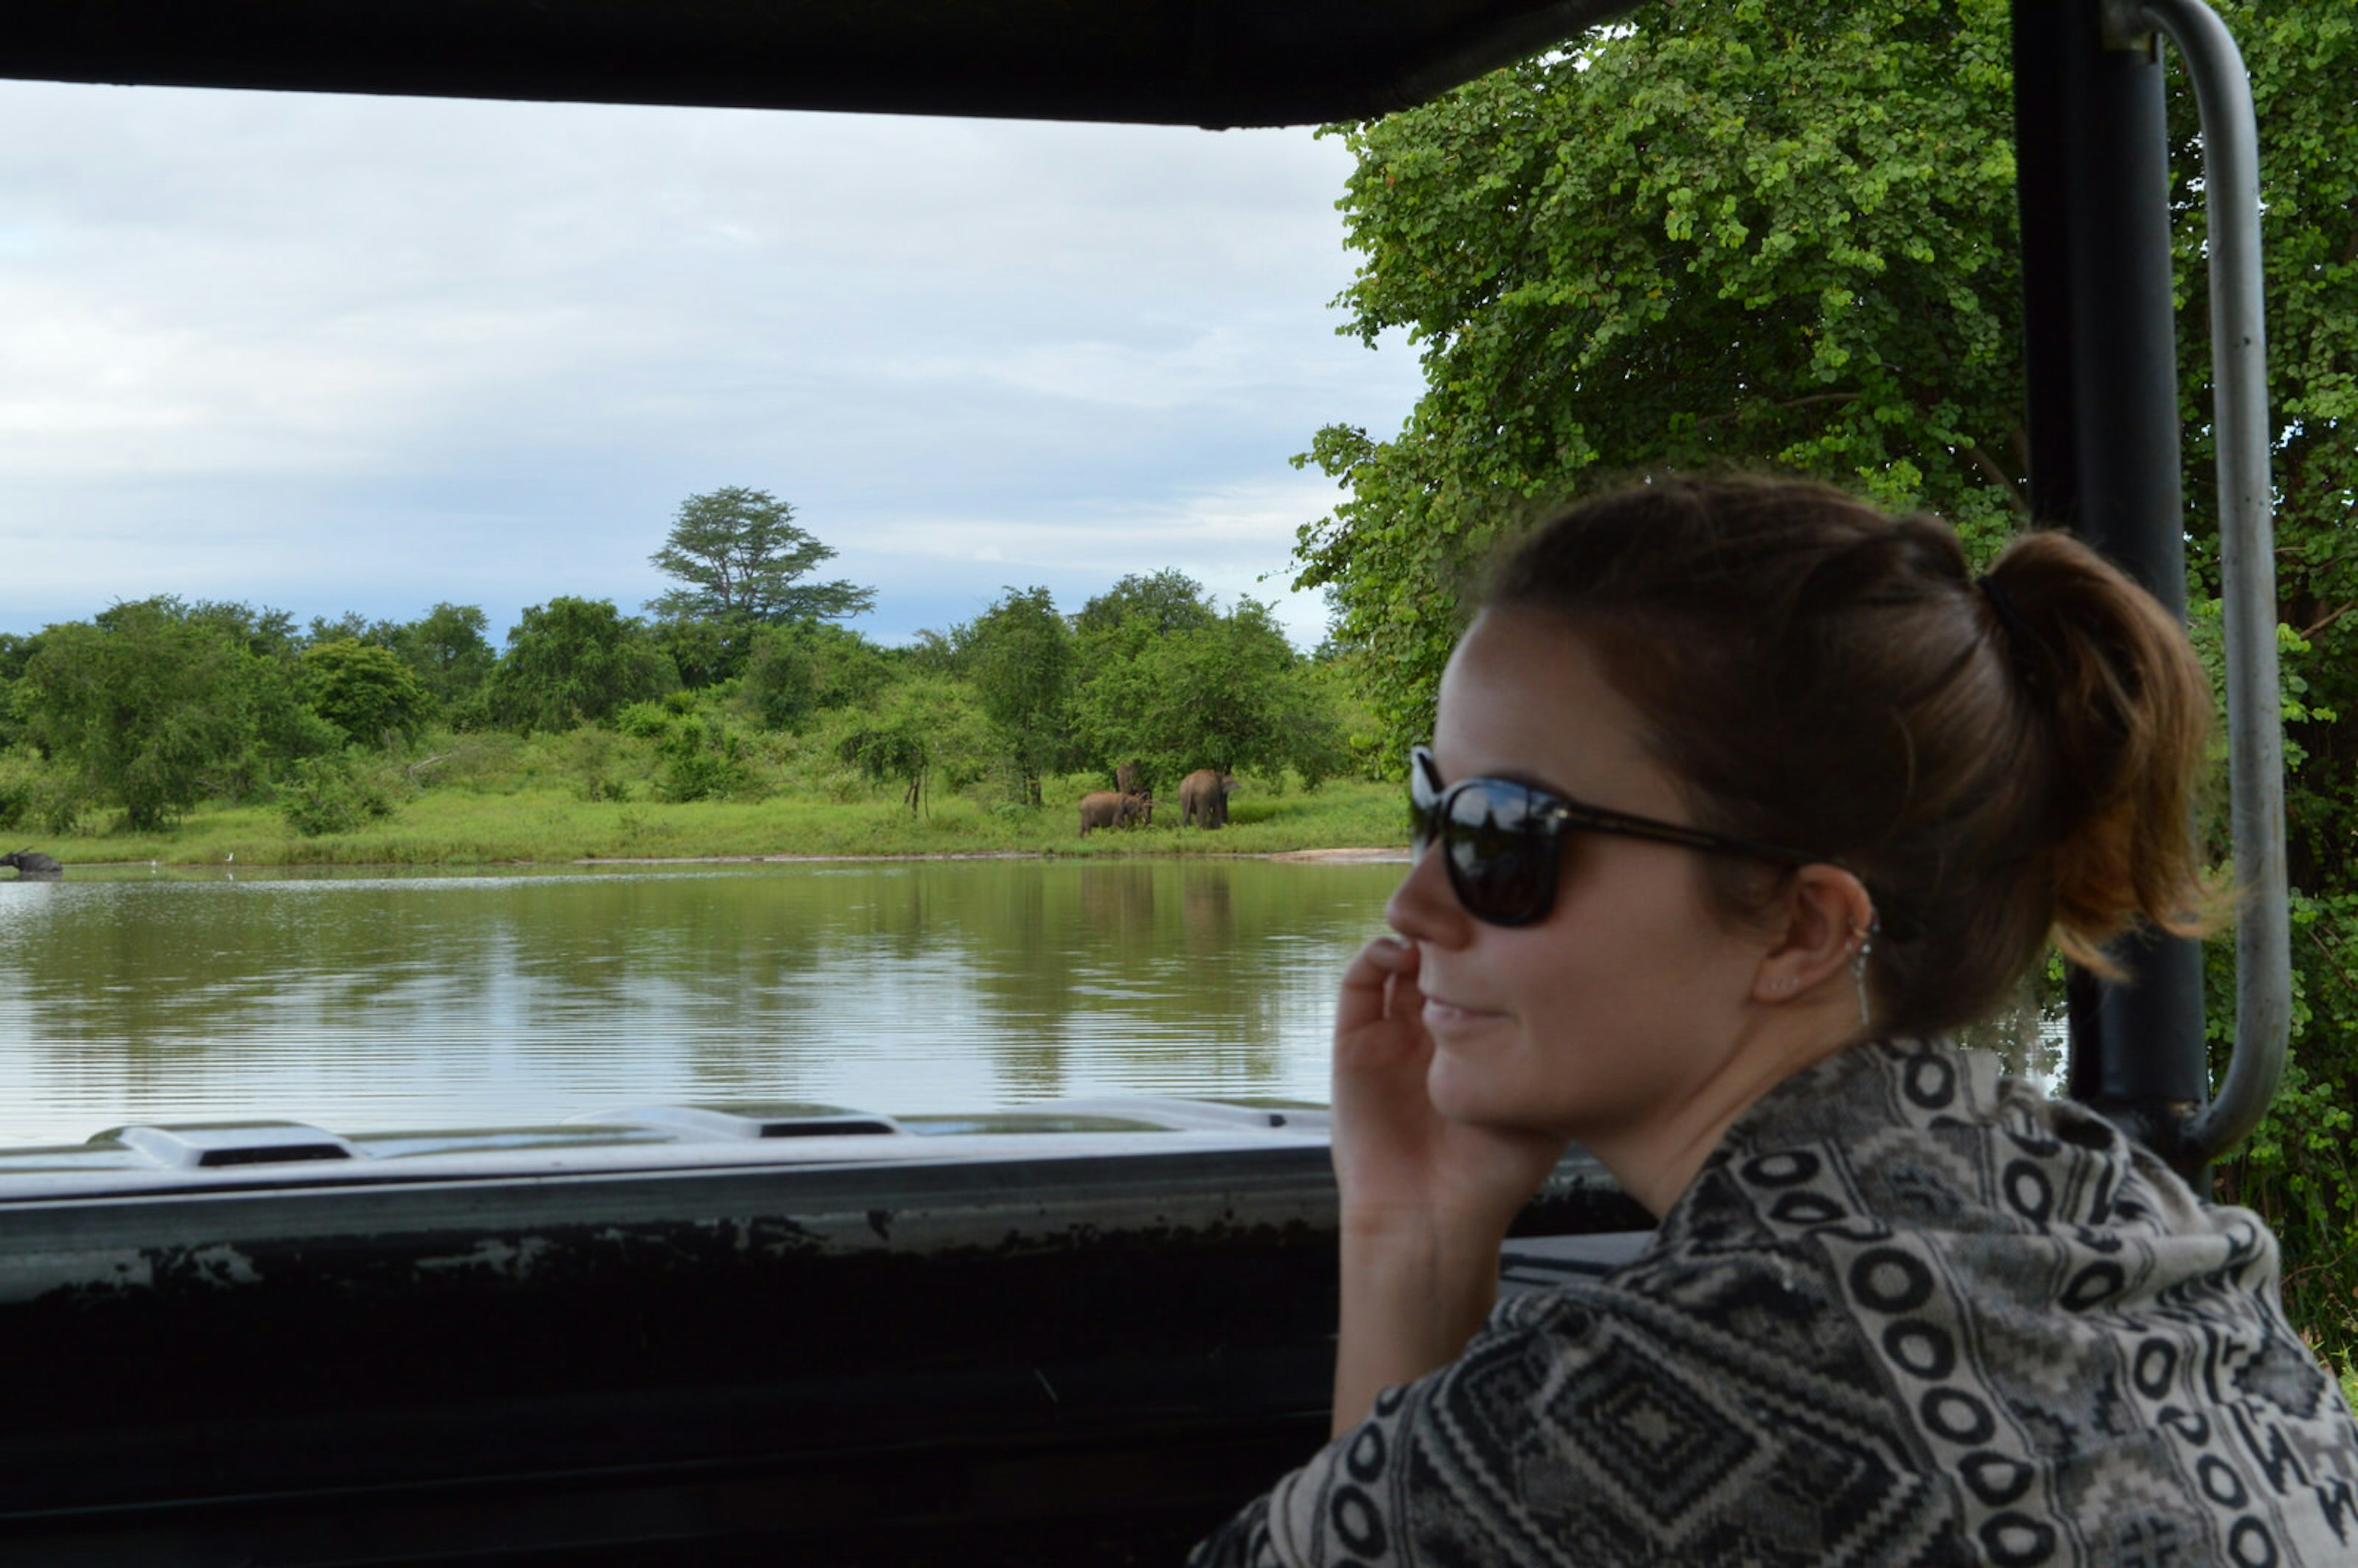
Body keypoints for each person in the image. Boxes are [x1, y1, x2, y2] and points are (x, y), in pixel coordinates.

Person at [1190, 476, 2358, 1566]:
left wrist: (1402, 1252)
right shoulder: (2152, 1236)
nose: (1413, 904)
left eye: (1503, 834)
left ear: (1803, 928)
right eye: (1427, 807)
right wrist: (1423, 1229)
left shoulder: (1659, 1390)